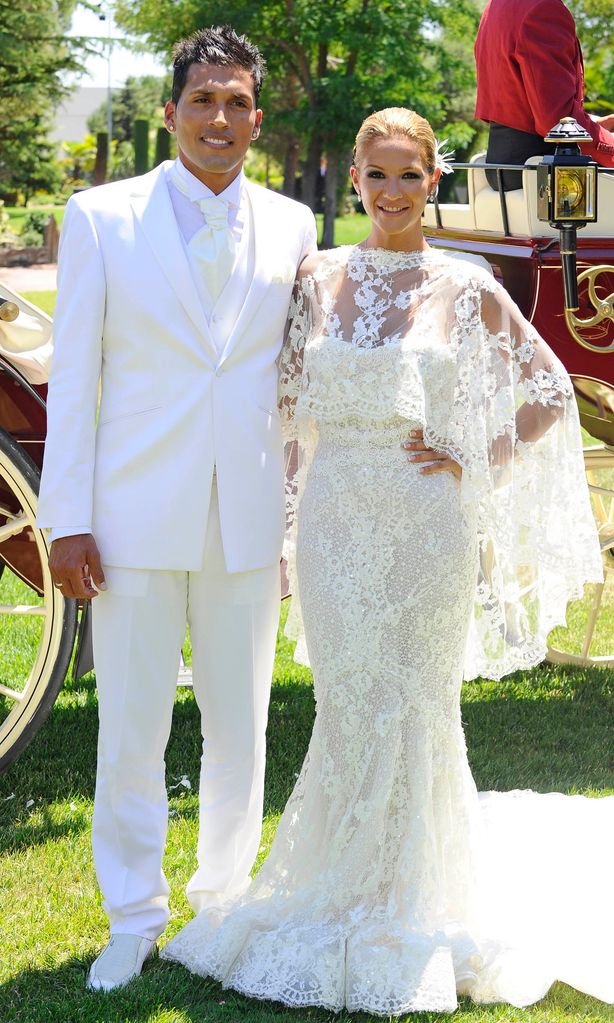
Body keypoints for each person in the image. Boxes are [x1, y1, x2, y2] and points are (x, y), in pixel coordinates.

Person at [161, 107, 614, 1013]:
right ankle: (340, 883)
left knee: (415, 705)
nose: (395, 191)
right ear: (355, 180)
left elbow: (549, 388)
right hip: (335, 523)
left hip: (427, 526)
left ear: (435, 179)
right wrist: (285, 525)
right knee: (349, 701)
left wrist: (475, 456)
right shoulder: (317, 276)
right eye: (379, 175)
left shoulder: (469, 282)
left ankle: (412, 898)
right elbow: (282, 405)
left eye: (412, 174)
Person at [36, 25, 317, 992]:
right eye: (204, 100)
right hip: (130, 516)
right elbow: (73, 383)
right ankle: (131, 915)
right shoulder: (99, 215)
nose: (220, 118)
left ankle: (223, 904)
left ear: (257, 117)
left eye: (238, 102)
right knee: (133, 724)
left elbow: (297, 384)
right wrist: (64, 518)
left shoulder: (293, 225)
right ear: (171, 112)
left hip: (246, 511)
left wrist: (302, 511)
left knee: (242, 725)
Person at [475, 0, 614, 190]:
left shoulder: (496, 5)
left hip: (503, 168)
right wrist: (610, 146)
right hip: (544, 173)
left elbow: (522, 103)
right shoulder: (544, 8)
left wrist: (594, 127)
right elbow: (556, 121)